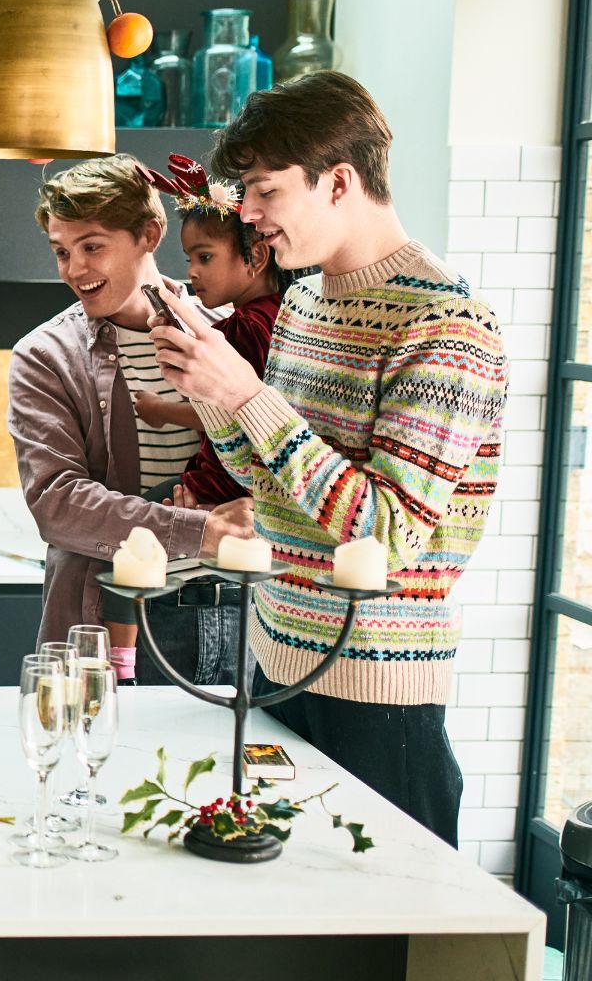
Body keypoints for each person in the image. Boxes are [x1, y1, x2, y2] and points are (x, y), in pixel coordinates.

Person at [149, 71, 507, 844]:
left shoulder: (447, 323)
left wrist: (244, 397)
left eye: (264, 191)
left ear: (339, 181)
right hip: (275, 661)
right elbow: (264, 479)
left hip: (377, 696)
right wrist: (209, 383)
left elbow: (384, 530)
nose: (247, 214)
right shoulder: (307, 301)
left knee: (380, 948)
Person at [7, 155, 255, 685]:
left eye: (92, 246)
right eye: (61, 252)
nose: (75, 270)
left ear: (150, 232)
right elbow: (58, 504)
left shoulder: (232, 333)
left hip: (246, 610)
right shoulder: (46, 355)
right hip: (120, 618)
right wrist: (202, 531)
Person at [131, 154, 290, 508]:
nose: (192, 272)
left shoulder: (240, 330)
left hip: (222, 487)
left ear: (257, 257)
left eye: (205, 257)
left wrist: (161, 410)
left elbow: (232, 412)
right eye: (189, 259)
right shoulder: (286, 312)